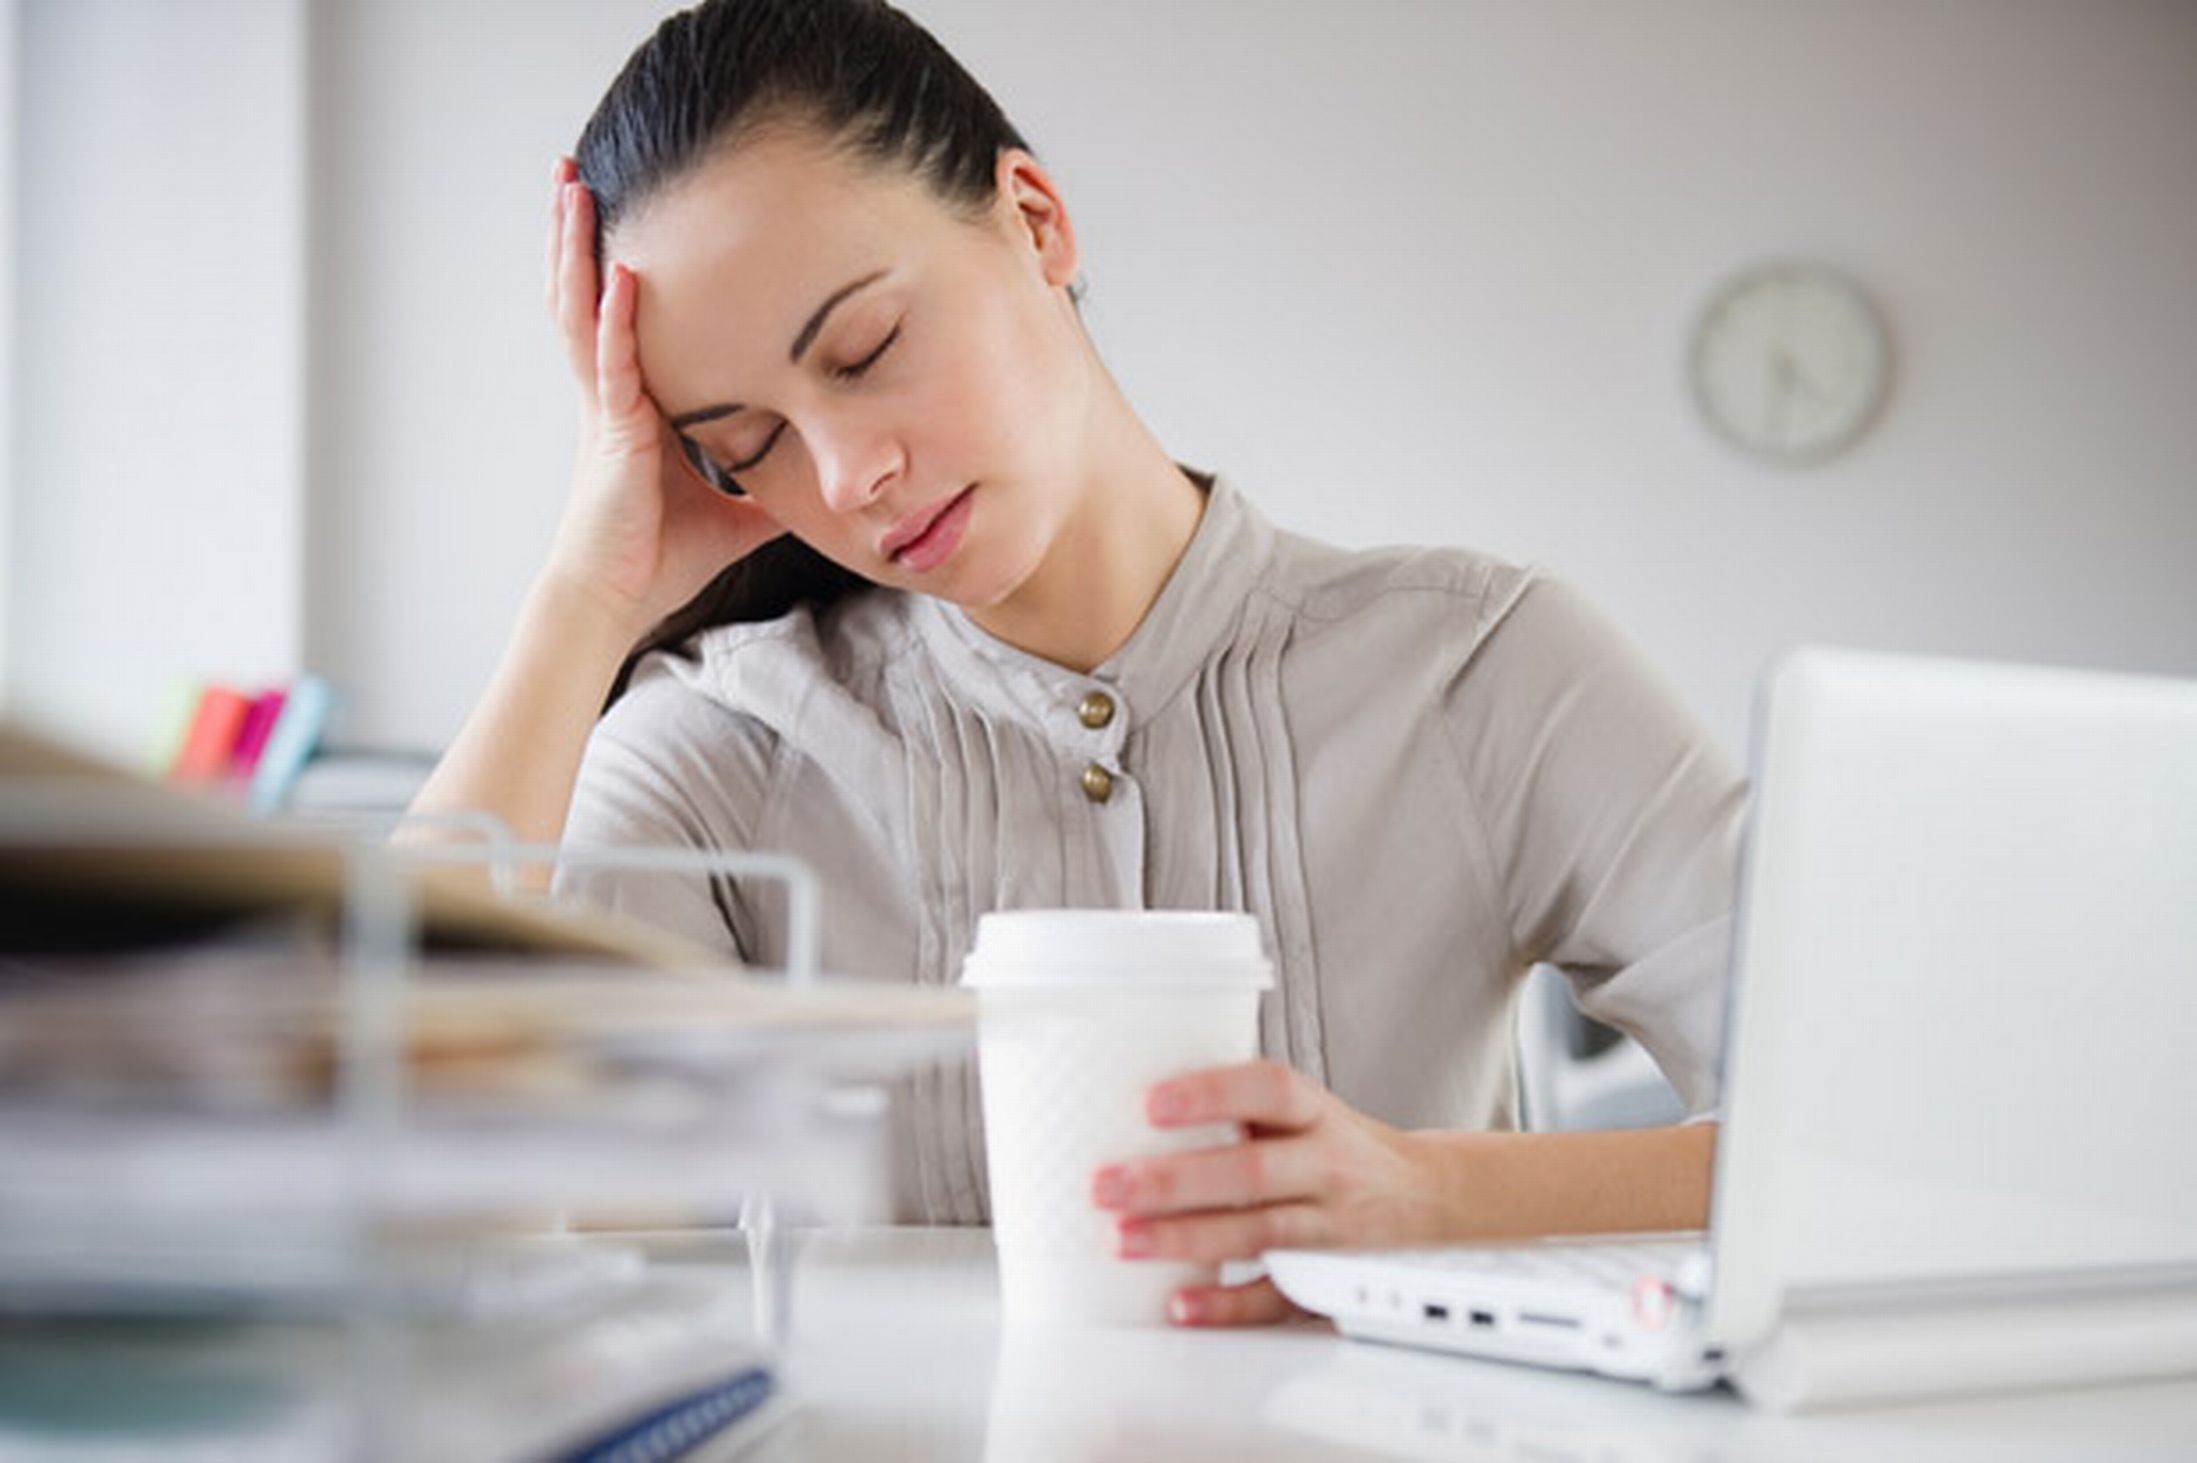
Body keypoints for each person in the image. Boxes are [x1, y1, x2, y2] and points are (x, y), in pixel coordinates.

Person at [407, 0, 1745, 1329]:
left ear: (1034, 219)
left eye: (865, 350)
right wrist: (586, 598)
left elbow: (1887, 1140)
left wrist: (1432, 1194)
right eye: (745, 443)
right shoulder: (722, 747)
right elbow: (372, 1154)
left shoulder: (1475, 670)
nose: (845, 475)